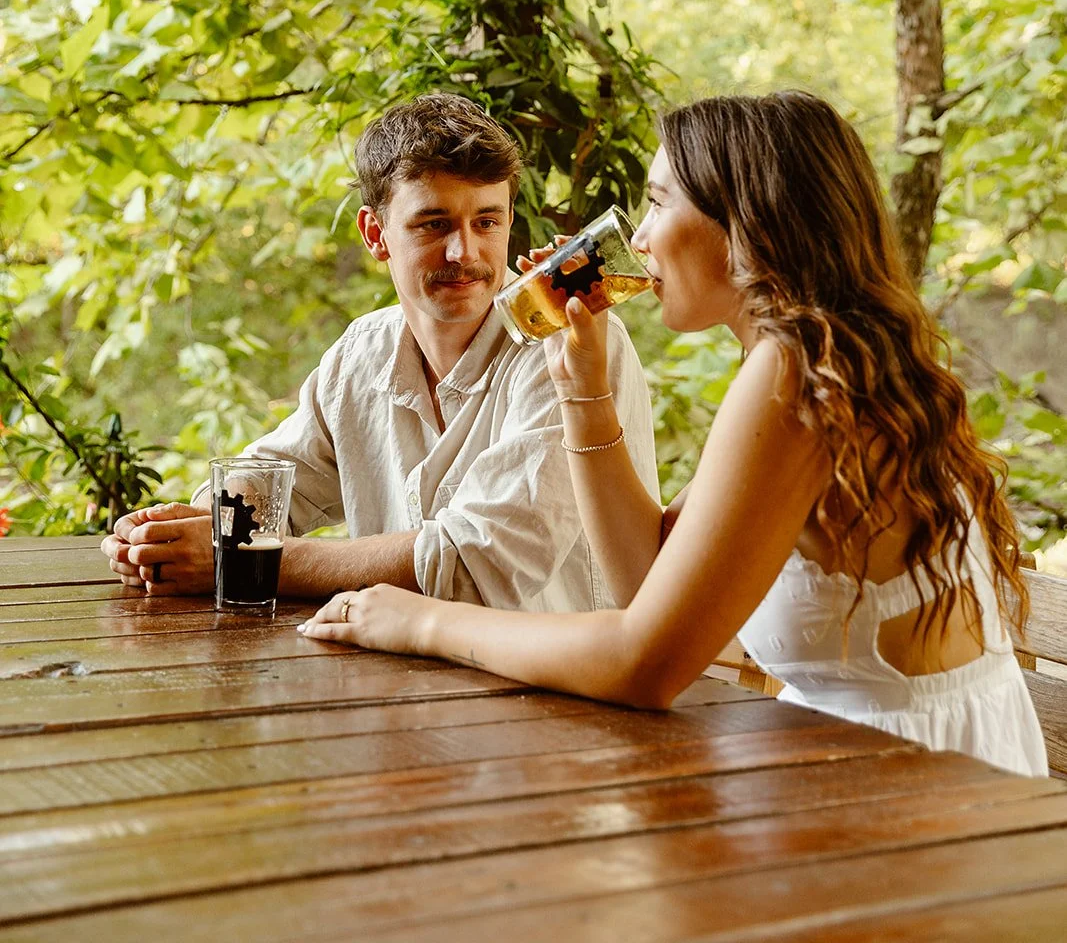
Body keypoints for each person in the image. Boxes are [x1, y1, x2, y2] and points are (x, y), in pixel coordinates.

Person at [299, 92, 1048, 778]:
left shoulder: (796, 375)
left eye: (657, 203)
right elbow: (645, 586)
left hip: (919, 785)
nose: (641, 238)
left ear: (747, 223)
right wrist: (584, 394)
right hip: (836, 762)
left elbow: (646, 666)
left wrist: (423, 620)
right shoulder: (806, 355)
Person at [102, 93, 658, 609]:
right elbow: (272, 480)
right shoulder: (362, 354)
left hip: (564, 695)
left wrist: (245, 561)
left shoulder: (571, 348)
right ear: (376, 234)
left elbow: (478, 564)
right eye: (433, 224)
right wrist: (175, 534)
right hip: (395, 689)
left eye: (486, 221)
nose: (465, 251)